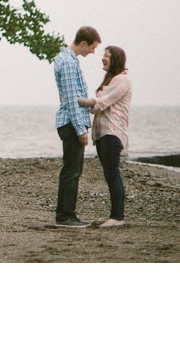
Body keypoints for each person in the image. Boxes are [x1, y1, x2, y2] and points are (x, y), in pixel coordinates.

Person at [79, 45, 132, 228]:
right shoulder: (109, 81)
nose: (102, 58)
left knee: (112, 174)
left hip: (112, 132)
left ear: (115, 59)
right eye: (103, 55)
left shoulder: (123, 80)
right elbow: (95, 107)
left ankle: (117, 217)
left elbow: (102, 103)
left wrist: (76, 100)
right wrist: (87, 103)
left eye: (106, 56)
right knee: (109, 175)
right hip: (101, 134)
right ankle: (116, 216)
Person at [52, 26, 99, 228]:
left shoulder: (64, 59)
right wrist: (81, 129)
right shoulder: (69, 62)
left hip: (69, 122)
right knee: (72, 171)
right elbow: (71, 99)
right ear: (83, 43)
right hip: (71, 124)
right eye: (92, 47)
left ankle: (68, 214)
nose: (93, 52)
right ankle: (64, 217)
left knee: (72, 170)